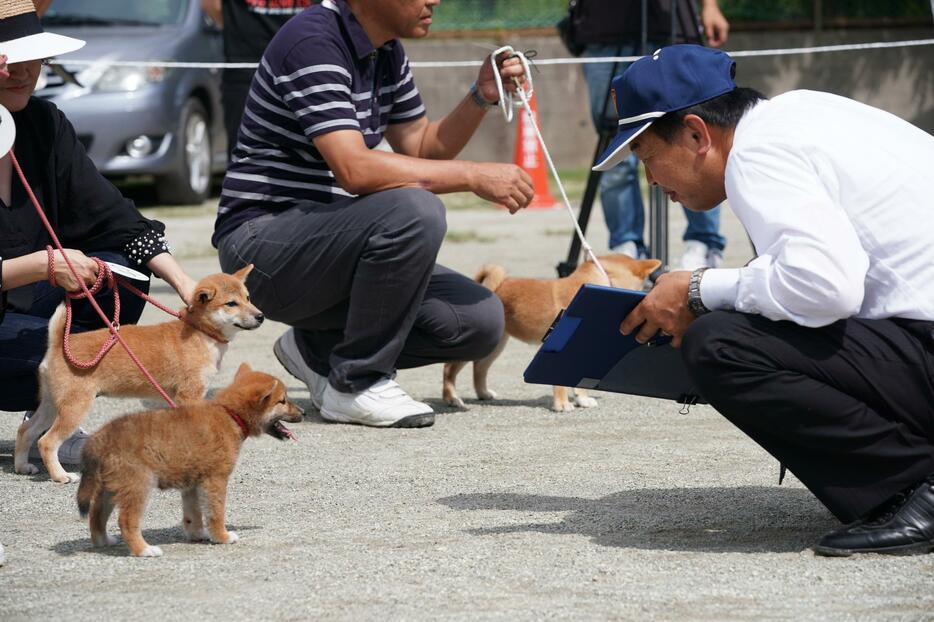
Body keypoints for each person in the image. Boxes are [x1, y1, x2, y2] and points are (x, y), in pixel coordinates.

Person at [596, 44, 934, 555]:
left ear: (695, 133)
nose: (651, 180)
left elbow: (827, 288)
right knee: (742, 319)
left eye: (648, 157)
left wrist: (698, 290)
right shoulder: (801, 113)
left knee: (720, 342)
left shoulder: (756, 155)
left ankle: (917, 488)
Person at [212, 0, 533, 429]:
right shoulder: (313, 42)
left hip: (325, 244)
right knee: (414, 209)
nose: (434, 1)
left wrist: (481, 96)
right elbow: (355, 170)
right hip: (260, 248)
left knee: (479, 321)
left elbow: (421, 145)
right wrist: (473, 175)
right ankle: (356, 383)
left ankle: (318, 349)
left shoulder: (386, 50)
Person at [0, 0, 197, 462]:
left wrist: (186, 283)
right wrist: (45, 263)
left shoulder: (44, 124)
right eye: (10, 59)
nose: (26, 71)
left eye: (36, 57)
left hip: (26, 305)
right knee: (68, 360)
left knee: (123, 270)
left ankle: (50, 416)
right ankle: (56, 404)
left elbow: (115, 215)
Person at [574, 0, 729, 269]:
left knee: (693, 139)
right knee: (617, 143)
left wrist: (710, 6)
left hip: (673, 24)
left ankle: (703, 244)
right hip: (605, 27)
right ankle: (626, 250)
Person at [200, 0, 314, 160]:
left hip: (250, 65)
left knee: (246, 155)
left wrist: (237, 29)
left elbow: (212, 5)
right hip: (302, 64)